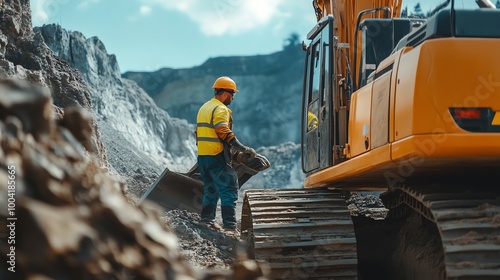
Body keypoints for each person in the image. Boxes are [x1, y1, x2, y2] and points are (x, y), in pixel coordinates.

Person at [195, 76, 256, 232]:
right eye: (232, 93)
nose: (233, 97)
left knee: (211, 188)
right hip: (217, 155)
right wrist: (241, 148)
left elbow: (198, 132)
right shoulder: (220, 109)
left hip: (203, 156)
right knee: (229, 188)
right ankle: (229, 227)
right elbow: (222, 130)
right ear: (226, 93)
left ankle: (206, 221)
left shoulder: (205, 107)